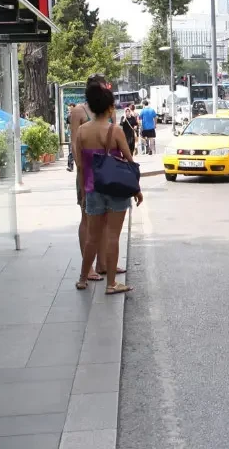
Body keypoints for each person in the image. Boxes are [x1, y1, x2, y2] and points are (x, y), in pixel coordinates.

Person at [73, 81, 142, 294]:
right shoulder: (117, 131)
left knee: (92, 236)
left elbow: (81, 166)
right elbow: (130, 162)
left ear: (91, 107)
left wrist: (84, 193)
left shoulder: (82, 132)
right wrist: (137, 189)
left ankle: (83, 278)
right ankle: (111, 284)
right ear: (111, 107)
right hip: (117, 189)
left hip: (93, 189)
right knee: (112, 235)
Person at [69, 74, 123, 281]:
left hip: (109, 172)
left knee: (108, 219)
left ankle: (104, 264)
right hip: (89, 172)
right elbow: (75, 143)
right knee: (88, 218)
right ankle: (89, 267)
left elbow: (114, 135)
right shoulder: (78, 112)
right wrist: (81, 170)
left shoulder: (108, 109)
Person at [65, 103, 78, 172]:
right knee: (71, 151)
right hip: (72, 135)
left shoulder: (79, 116)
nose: (69, 110)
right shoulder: (68, 116)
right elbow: (68, 126)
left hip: (79, 135)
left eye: (70, 108)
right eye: (68, 108)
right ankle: (70, 166)